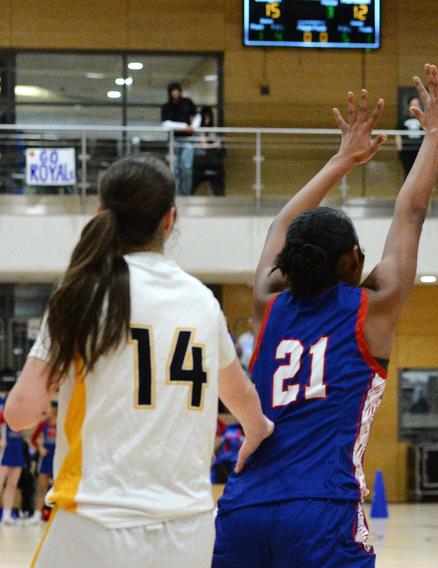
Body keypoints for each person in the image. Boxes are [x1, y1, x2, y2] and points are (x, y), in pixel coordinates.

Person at [213, 64, 438, 568]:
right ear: (352, 262)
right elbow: (410, 214)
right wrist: (436, 135)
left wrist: (341, 161)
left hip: (243, 505)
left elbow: (282, 222)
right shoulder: (374, 306)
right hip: (321, 507)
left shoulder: (266, 303)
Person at [2, 154, 273, 567]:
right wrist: (258, 430)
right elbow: (240, 396)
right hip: (188, 530)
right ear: (170, 220)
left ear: (100, 213)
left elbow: (20, 413)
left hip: (93, 522)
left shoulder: (82, 294)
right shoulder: (201, 301)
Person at [161, 82, 199, 196]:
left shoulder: (187, 103)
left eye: (177, 90)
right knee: (175, 170)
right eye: (173, 91)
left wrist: (193, 127)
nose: (175, 93)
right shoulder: (166, 107)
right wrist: (184, 126)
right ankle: (176, 195)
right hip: (174, 141)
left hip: (187, 140)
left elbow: (197, 115)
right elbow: (166, 124)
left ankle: (186, 194)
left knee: (186, 169)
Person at [29, 402, 56, 519]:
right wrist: (40, 447)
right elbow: (33, 438)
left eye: (48, 408)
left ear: (55, 410)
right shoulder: (43, 424)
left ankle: (55, 517)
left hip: (57, 459)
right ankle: (36, 515)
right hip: (45, 457)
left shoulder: (63, 424)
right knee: (42, 489)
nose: (45, 411)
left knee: (57, 490)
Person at [0, 401, 25, 525]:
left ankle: (6, 515)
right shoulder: (3, 417)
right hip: (4, 452)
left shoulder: (22, 420)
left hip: (17, 452)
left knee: (12, 486)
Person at [192, 106, 225, 196]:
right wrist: (214, 144)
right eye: (205, 117)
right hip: (200, 162)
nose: (207, 120)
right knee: (191, 188)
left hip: (212, 162)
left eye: (209, 117)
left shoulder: (212, 131)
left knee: (219, 189)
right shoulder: (199, 131)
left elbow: (219, 144)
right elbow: (204, 145)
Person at [395, 95, 423, 177]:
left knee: (420, 174)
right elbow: (398, 134)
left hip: (420, 151)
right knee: (408, 173)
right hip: (406, 151)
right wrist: (399, 149)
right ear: (409, 106)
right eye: (413, 105)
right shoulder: (403, 120)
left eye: (417, 105)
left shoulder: (424, 120)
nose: (415, 107)